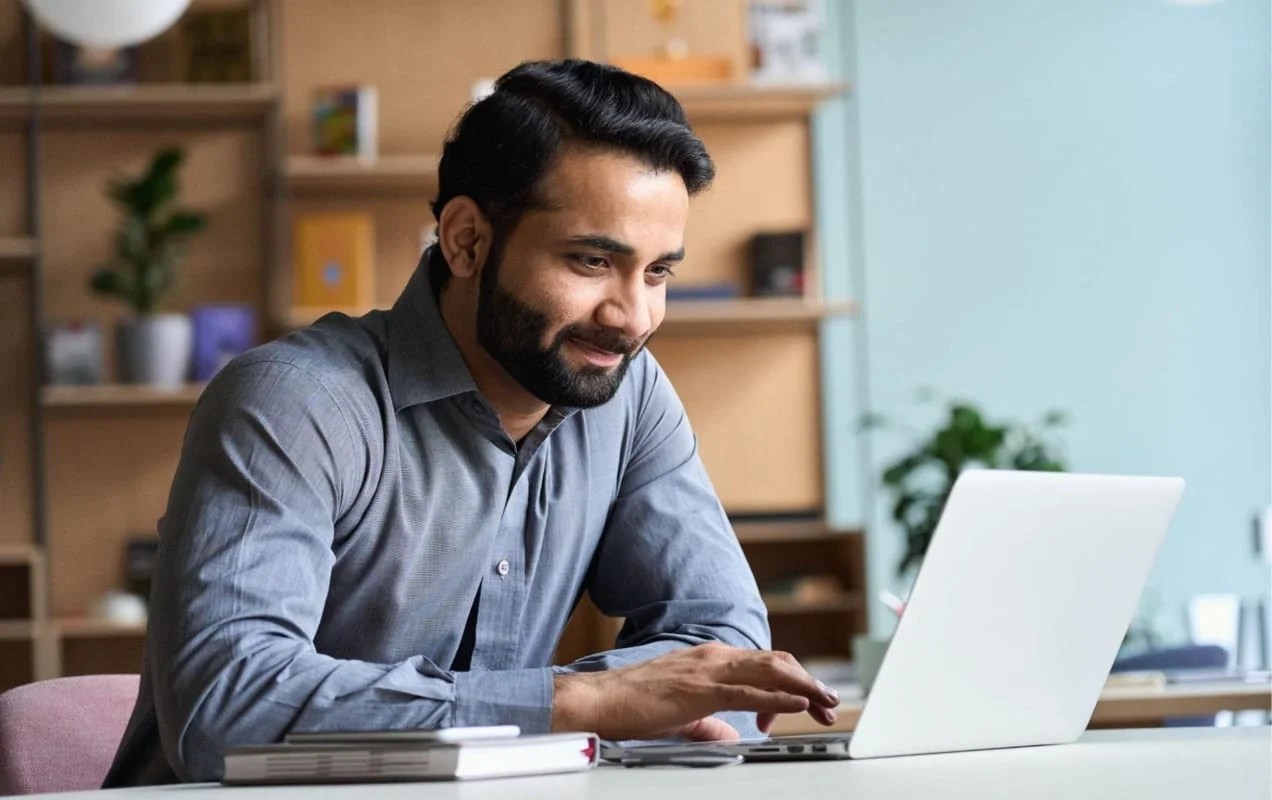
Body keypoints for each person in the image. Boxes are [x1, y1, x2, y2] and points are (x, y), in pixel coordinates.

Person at [104, 59, 838, 786]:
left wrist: (621, 705)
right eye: (590, 261)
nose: (632, 317)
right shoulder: (294, 402)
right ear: (465, 241)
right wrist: (581, 702)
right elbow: (228, 708)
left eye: (657, 273)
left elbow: (726, 645)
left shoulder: (628, 393)